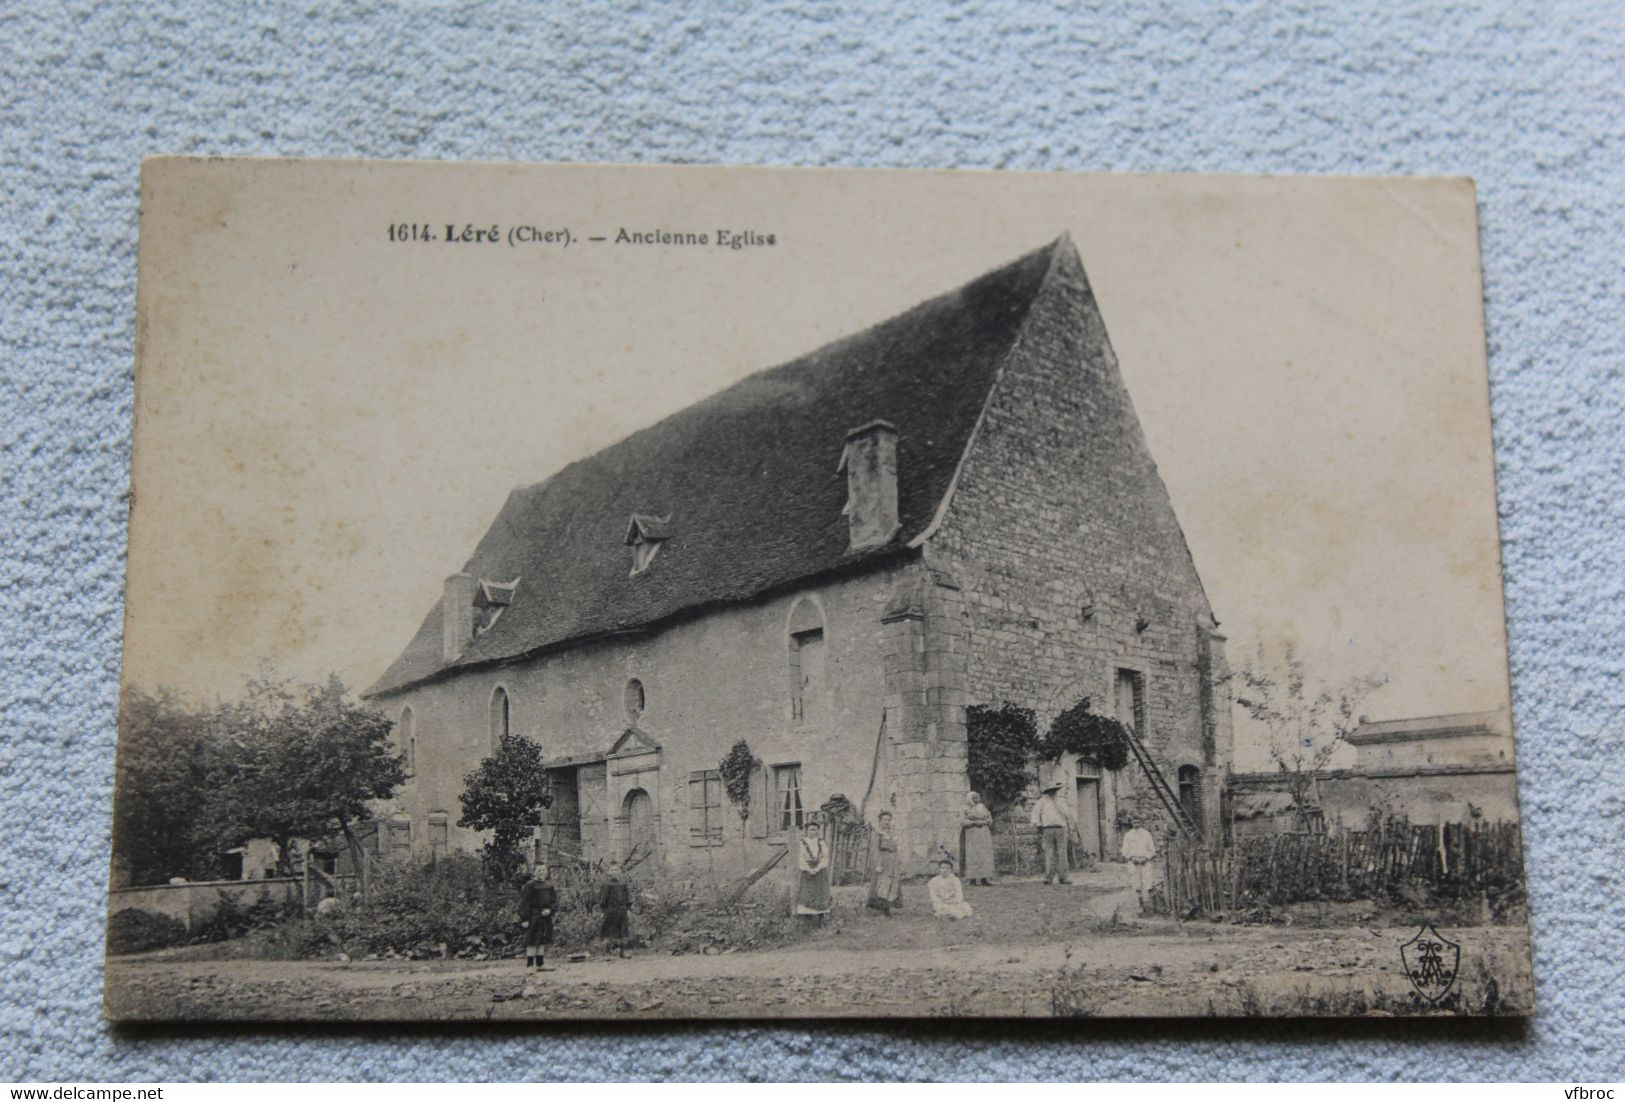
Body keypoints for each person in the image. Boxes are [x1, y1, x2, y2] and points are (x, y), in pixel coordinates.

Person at [1029, 780, 1076, 884]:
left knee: (1062, 852)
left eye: (1054, 790)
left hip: (1061, 828)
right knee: (1049, 853)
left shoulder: (1061, 801)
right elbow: (1035, 813)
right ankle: (1049, 877)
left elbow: (1068, 814)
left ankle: (1063, 877)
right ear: (1047, 791)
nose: (1053, 792)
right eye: (1050, 790)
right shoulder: (1042, 801)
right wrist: (1038, 824)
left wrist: (1058, 804)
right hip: (1047, 829)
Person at [517, 863, 559, 970]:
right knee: (531, 941)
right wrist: (524, 919)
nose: (541, 872)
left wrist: (550, 910)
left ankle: (540, 964)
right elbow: (524, 902)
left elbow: (555, 901)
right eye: (539, 870)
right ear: (534, 872)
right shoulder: (530, 885)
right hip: (533, 916)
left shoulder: (549, 885)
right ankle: (530, 965)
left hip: (545, 917)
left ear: (547, 872)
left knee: (542, 940)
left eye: (544, 870)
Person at [794, 821, 833, 924]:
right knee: (808, 893)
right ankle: (808, 918)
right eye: (811, 829)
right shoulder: (802, 843)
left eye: (815, 829)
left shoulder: (821, 842)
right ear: (807, 831)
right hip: (807, 872)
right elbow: (801, 858)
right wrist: (808, 869)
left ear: (818, 831)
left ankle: (821, 917)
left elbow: (825, 857)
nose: (813, 832)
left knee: (821, 893)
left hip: (820, 871)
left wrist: (818, 868)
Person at [867, 810, 903, 914]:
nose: (887, 822)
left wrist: (898, 860)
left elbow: (895, 848)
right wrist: (878, 863)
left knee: (892, 883)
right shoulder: (877, 834)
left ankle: (888, 905)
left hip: (893, 862)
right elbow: (875, 849)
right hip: (882, 861)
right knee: (882, 883)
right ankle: (882, 907)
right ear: (880, 821)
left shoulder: (891, 834)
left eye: (889, 820)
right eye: (885, 819)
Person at [1120, 818, 1159, 914]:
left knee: (1149, 882)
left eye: (1138, 822)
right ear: (1131, 823)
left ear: (1141, 822)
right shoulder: (1128, 835)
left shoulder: (1146, 834)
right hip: (1134, 862)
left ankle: (1153, 907)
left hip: (1145, 862)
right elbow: (1125, 850)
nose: (1136, 824)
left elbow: (1152, 849)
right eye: (1134, 822)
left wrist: (1146, 858)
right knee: (1136, 884)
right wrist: (1132, 858)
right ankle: (1140, 906)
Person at [598, 862, 633, 958]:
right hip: (610, 910)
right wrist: (603, 911)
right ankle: (606, 952)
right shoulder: (606, 884)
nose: (614, 872)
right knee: (608, 930)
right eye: (612, 870)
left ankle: (624, 951)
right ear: (608, 872)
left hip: (622, 910)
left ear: (620, 872)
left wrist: (628, 909)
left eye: (616, 870)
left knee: (624, 931)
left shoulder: (623, 884)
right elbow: (602, 899)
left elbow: (628, 897)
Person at [960, 792, 995, 885]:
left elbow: (990, 819)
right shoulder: (965, 808)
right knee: (973, 856)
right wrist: (974, 823)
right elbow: (963, 822)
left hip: (984, 836)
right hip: (972, 836)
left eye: (978, 798)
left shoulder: (982, 807)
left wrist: (985, 822)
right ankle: (973, 878)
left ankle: (985, 878)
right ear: (970, 799)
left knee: (984, 855)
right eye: (974, 798)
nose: (977, 800)